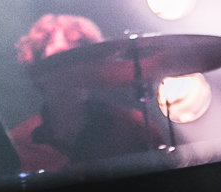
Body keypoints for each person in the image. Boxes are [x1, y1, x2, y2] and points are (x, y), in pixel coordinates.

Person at [8, 14, 148, 174]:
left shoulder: (133, 127)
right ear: (38, 71)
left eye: (74, 59)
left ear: (92, 65)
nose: (67, 74)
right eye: (56, 63)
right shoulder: (17, 145)